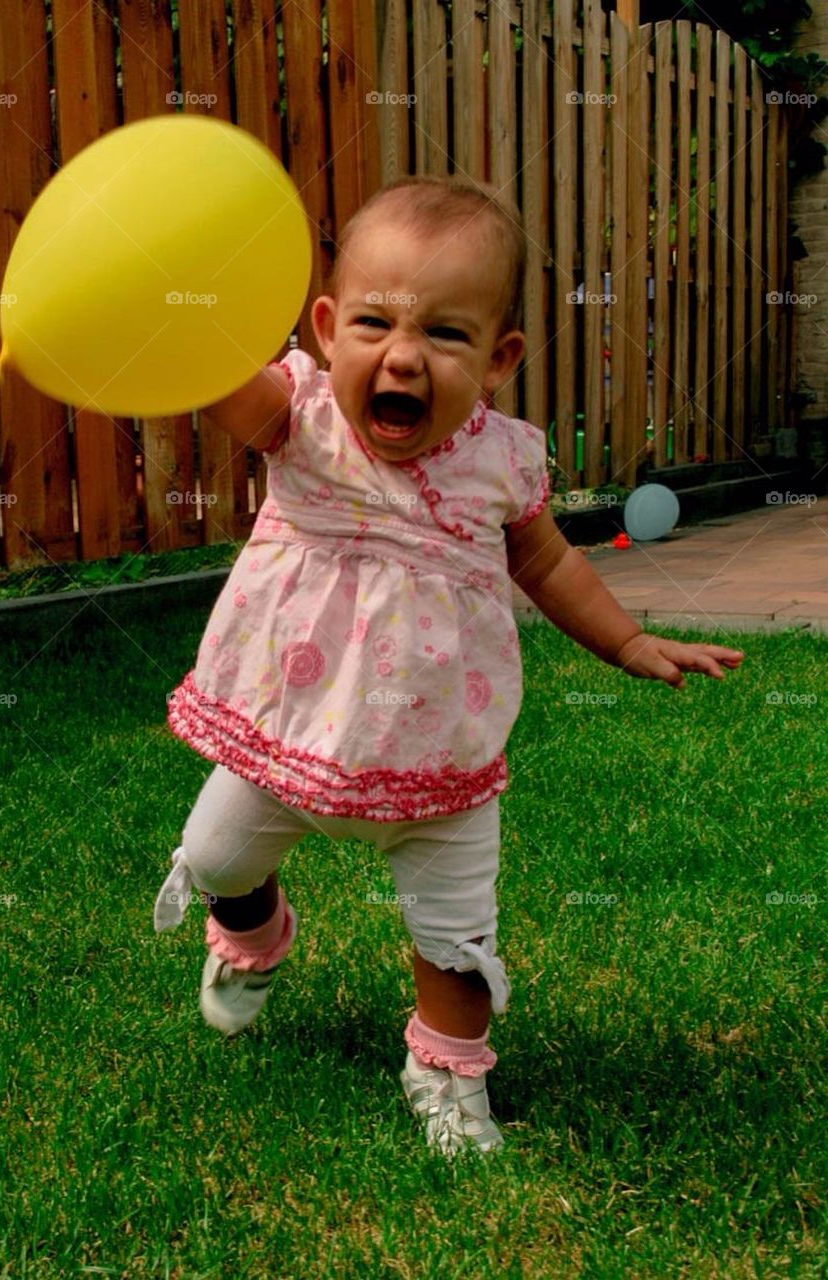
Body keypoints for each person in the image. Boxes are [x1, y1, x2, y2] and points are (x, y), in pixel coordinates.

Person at [153, 174, 745, 1157]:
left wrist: (630, 640)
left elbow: (547, 560)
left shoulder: (500, 463)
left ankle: (445, 1071)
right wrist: (184, 320)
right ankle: (255, 937)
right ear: (328, 327)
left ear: (501, 358)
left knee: (456, 939)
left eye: (447, 335)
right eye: (376, 323)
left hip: (441, 758)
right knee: (216, 858)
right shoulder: (301, 420)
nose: (404, 356)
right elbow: (228, 383)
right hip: (289, 735)